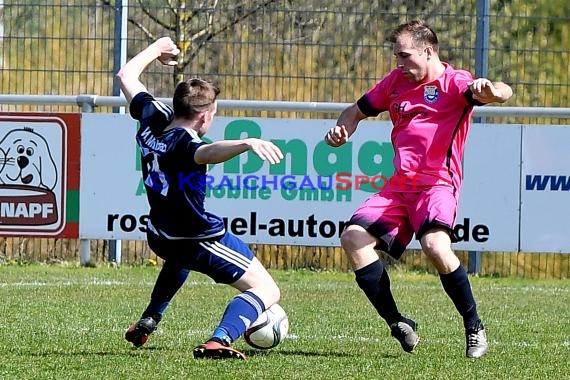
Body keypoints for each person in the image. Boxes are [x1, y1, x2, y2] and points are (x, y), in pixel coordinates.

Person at [324, 20, 513, 359]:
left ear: (428, 51)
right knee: (353, 238)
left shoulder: (456, 83)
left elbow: (502, 90)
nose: (399, 64)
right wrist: (342, 130)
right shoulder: (395, 83)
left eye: (404, 56)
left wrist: (494, 91)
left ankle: (474, 327)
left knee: (435, 246)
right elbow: (354, 111)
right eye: (396, 56)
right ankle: (397, 322)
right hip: (400, 187)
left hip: (437, 185)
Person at [116, 37, 284, 360]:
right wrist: (245, 143)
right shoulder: (185, 143)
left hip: (160, 234)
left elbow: (125, 76)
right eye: (214, 114)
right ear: (204, 117)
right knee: (268, 290)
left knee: (179, 258)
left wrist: (156, 49)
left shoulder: (152, 118)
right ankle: (220, 339)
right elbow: (206, 152)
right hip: (197, 237)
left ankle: (150, 318)